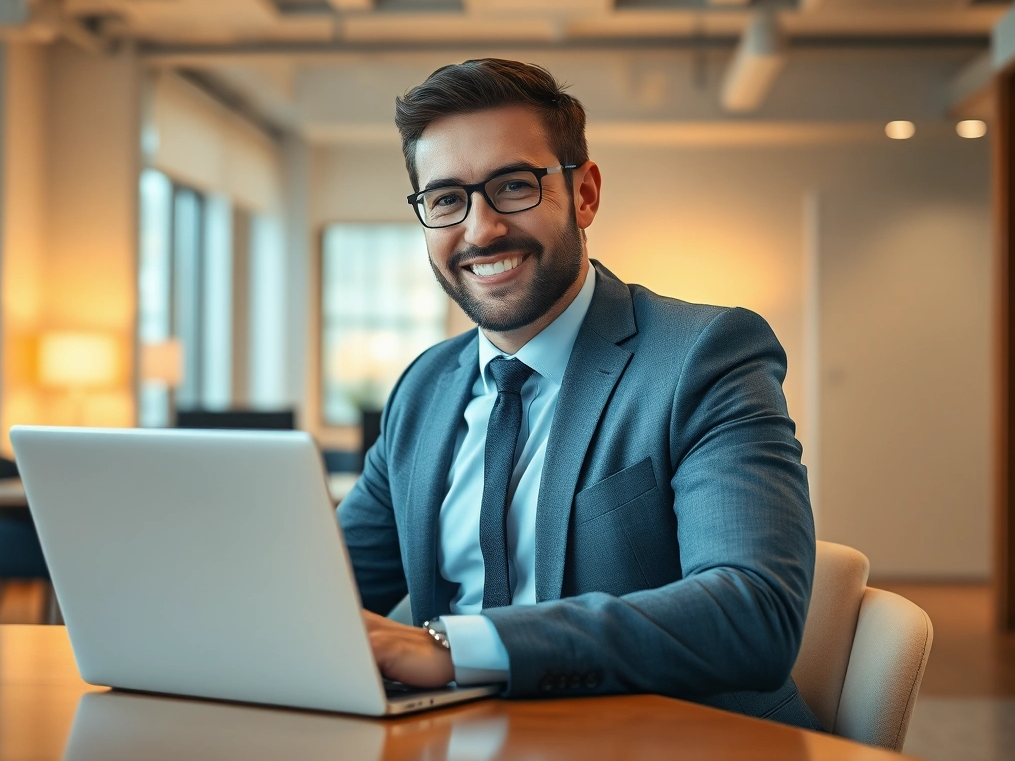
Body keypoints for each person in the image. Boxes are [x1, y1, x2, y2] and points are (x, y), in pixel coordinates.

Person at [336, 58, 820, 731]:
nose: (479, 230)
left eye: (513, 185)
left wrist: (450, 650)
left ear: (584, 193)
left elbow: (753, 612)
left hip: (672, 740)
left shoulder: (704, 356)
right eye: (446, 199)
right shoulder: (423, 388)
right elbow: (320, 590)